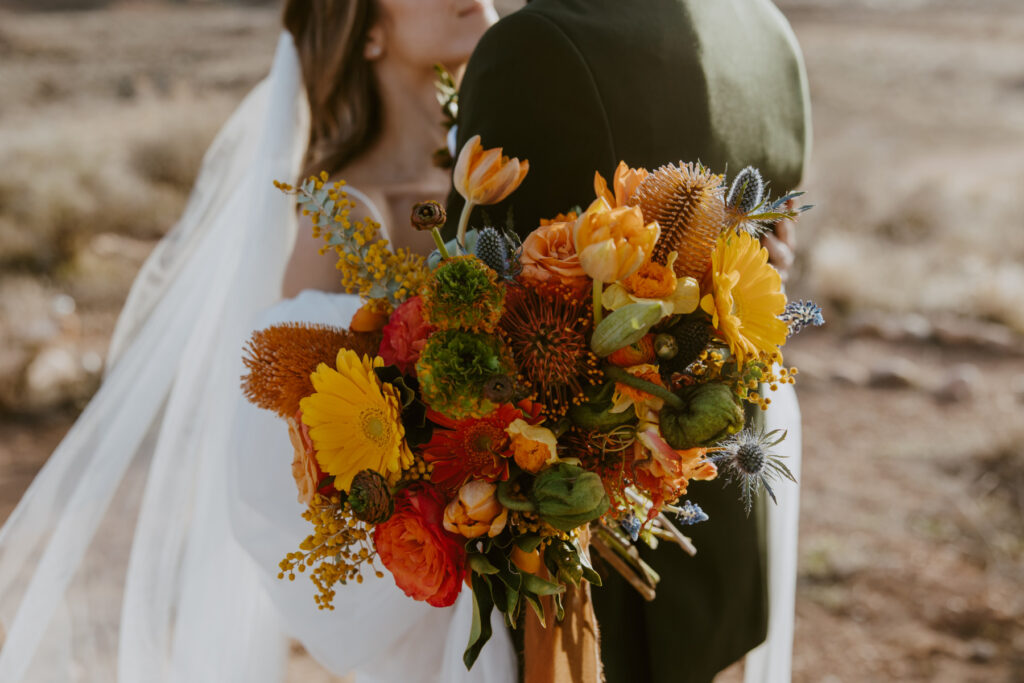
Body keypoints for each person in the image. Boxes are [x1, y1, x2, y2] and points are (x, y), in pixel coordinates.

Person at [0, 1, 514, 681]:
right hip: (450, 600)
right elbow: (289, 451)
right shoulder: (345, 215)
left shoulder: (507, 173)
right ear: (366, 31)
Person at [443, 0, 811, 681]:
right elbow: (774, 246)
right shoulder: (766, 29)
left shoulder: (533, 49)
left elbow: (472, 321)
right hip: (729, 522)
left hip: (588, 565)